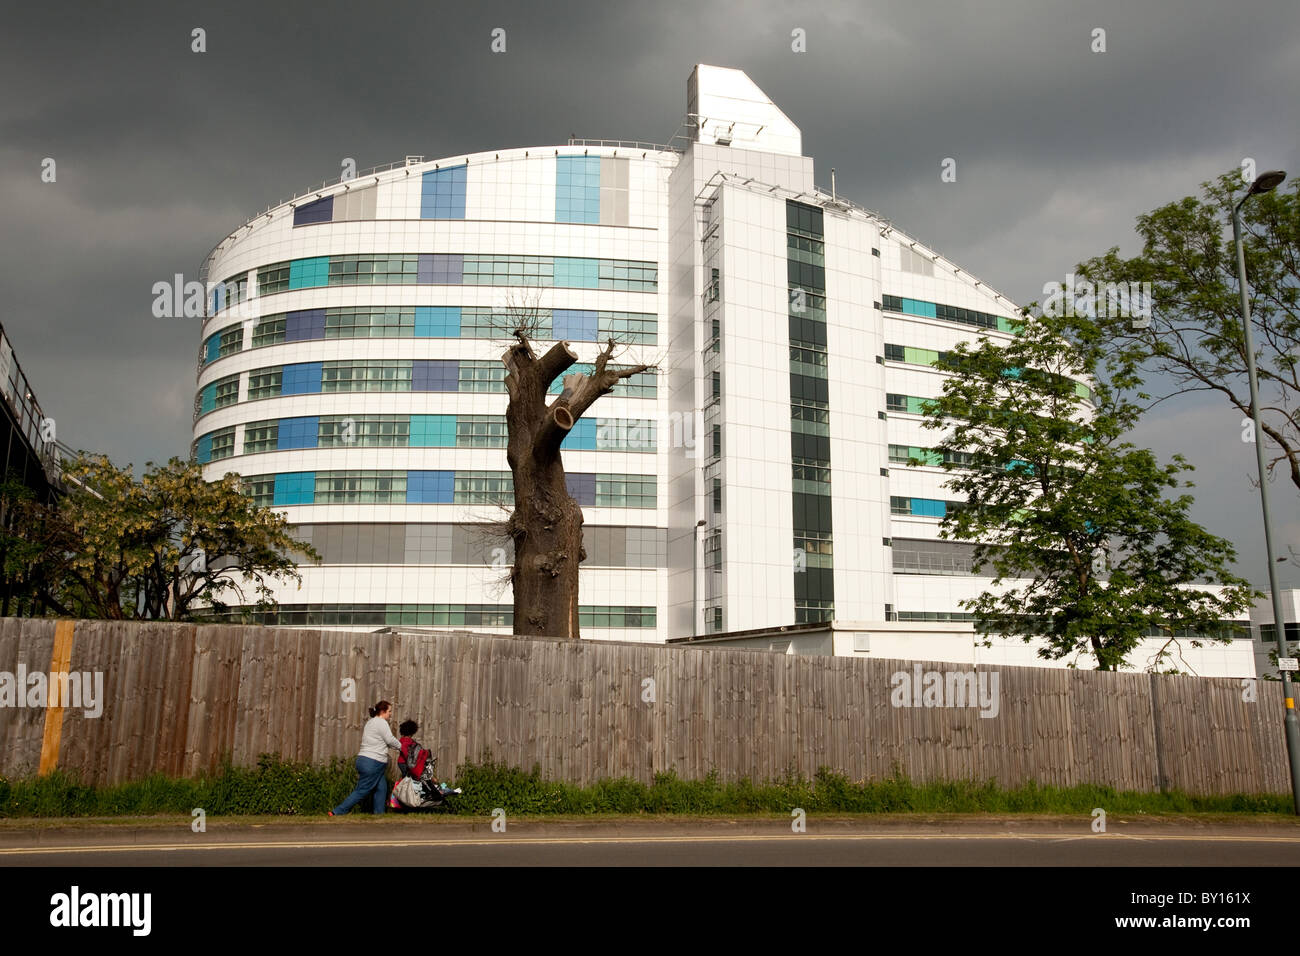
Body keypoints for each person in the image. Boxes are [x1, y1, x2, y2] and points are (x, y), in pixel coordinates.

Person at [330, 700, 401, 816]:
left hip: (363, 760)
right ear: (383, 711)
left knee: (381, 788)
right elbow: (389, 740)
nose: (390, 714)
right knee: (361, 790)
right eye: (389, 711)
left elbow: (381, 741)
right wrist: (402, 747)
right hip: (373, 763)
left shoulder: (370, 723)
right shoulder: (382, 723)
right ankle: (337, 812)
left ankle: (379, 814)